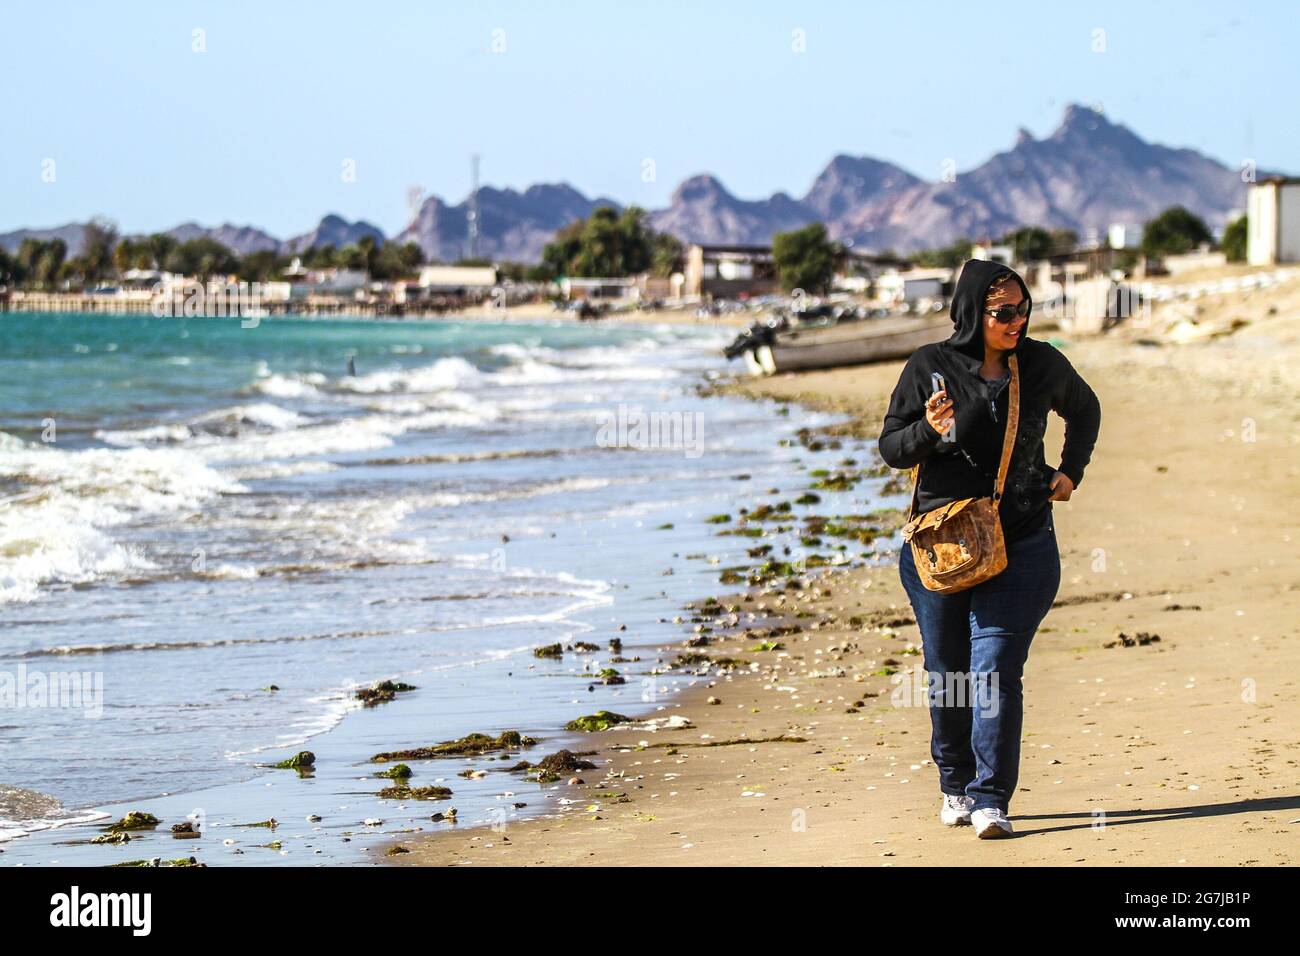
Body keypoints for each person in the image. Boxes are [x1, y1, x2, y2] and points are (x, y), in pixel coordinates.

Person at [877, 259, 1101, 838]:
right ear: (974, 313)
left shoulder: (1043, 363)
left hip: (1024, 539)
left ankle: (990, 799)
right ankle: (954, 782)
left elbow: (1086, 408)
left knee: (996, 667)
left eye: (1024, 310)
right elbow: (893, 447)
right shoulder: (930, 367)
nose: (1017, 321)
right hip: (943, 546)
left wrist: (1070, 471)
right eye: (1004, 313)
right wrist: (928, 429)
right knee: (948, 671)